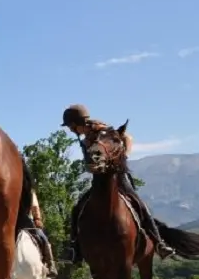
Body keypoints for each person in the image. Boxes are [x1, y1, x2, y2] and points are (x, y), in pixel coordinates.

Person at [60, 104, 174, 262]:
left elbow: (128, 137)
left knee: (140, 205)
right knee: (78, 208)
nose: (71, 130)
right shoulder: (86, 137)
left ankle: (159, 243)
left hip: (117, 177)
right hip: (100, 180)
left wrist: (123, 157)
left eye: (70, 127)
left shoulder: (102, 130)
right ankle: (74, 248)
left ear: (75, 124)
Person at [28, 191, 58, 276]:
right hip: (11, 220)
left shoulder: (30, 192)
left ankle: (51, 264)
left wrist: (37, 218)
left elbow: (35, 207)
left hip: (28, 220)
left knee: (43, 237)